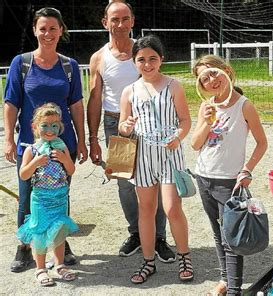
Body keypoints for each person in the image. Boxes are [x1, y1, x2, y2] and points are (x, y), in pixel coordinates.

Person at [87, 0, 174, 262]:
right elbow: (95, 99)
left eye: (125, 19)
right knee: (125, 184)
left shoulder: (143, 52)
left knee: (154, 181)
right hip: (117, 125)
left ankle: (159, 237)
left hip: (150, 125)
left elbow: (159, 85)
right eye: (115, 19)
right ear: (105, 23)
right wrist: (92, 139)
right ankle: (136, 233)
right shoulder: (99, 58)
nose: (120, 24)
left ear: (133, 21)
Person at [3, 7, 86, 272]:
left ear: (61, 31)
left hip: (64, 145)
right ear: (35, 31)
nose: (48, 33)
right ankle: (25, 248)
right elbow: (11, 103)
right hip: (30, 145)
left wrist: (82, 141)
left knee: (60, 194)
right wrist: (9, 139)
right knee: (27, 198)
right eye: (43, 28)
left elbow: (76, 106)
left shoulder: (69, 66)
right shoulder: (22, 63)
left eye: (53, 28)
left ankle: (61, 245)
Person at [118, 34, 194, 284]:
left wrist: (178, 136)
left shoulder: (173, 85)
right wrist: (126, 126)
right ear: (134, 62)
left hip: (170, 155)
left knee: (172, 208)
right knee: (146, 209)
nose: (147, 64)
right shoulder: (129, 91)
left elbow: (185, 120)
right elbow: (122, 126)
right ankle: (148, 261)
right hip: (142, 157)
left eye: (152, 58)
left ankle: (184, 257)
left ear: (161, 59)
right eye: (141, 59)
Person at [191, 55, 268, 296]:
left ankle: (234, 289)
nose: (211, 80)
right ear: (200, 86)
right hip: (204, 176)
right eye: (204, 79)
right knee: (218, 232)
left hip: (229, 182)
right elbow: (195, 144)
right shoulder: (206, 107)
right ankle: (225, 280)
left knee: (232, 238)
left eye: (214, 73)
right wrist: (205, 121)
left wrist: (247, 170)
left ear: (226, 71)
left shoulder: (243, 105)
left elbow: (261, 143)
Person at [16, 103, 79, 286]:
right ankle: (41, 269)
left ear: (60, 127)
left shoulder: (62, 147)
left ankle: (59, 265)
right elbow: (24, 174)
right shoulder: (32, 150)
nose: (50, 130)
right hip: (41, 200)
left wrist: (65, 159)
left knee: (60, 232)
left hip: (59, 198)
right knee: (40, 234)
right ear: (35, 127)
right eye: (45, 125)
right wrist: (35, 162)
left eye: (54, 125)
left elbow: (71, 170)